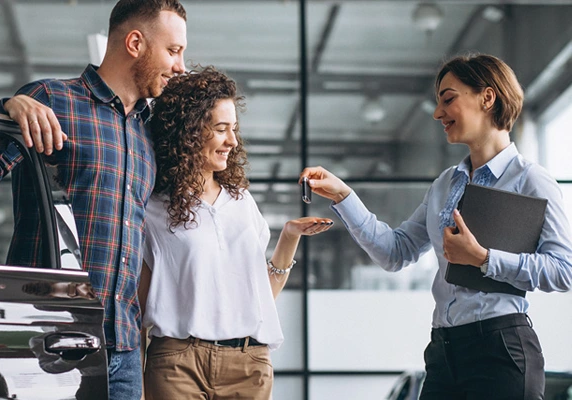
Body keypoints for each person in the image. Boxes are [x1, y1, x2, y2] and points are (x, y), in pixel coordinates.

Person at [300, 53, 572, 400]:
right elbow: (395, 252)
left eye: (448, 99)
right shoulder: (445, 184)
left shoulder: (531, 180)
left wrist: (484, 258)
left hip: (500, 349)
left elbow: (565, 269)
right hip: (444, 351)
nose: (437, 113)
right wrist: (344, 196)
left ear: (487, 98)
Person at [0, 0, 187, 397]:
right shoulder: (51, 101)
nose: (181, 66)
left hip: (122, 348)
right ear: (135, 43)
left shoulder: (149, 134)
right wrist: (4, 113)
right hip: (48, 338)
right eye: (173, 51)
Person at [139, 66, 333, 400]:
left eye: (234, 129)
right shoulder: (153, 209)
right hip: (176, 365)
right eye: (220, 129)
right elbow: (140, 306)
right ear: (188, 132)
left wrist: (288, 237)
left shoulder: (242, 203)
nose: (232, 141)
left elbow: (260, 297)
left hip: (248, 364)